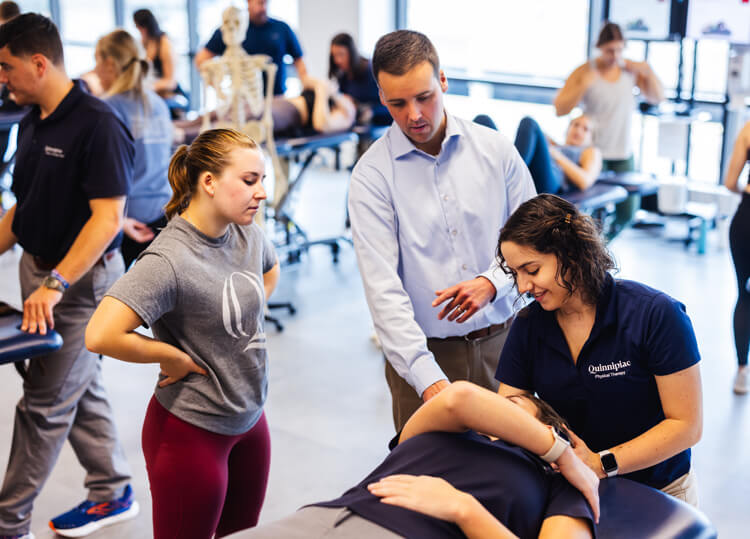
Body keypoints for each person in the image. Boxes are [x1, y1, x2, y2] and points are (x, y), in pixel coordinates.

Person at [85, 128, 281, 539]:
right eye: (250, 180)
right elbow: (100, 334)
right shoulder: (168, 259)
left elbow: (269, 270)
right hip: (191, 434)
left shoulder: (246, 232)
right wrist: (168, 355)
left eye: (262, 180)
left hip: (249, 420)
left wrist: (244, 320)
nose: (261, 192)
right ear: (208, 182)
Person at [348, 30, 537, 432]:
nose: (414, 114)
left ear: (444, 81)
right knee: (431, 484)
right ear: (381, 97)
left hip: (507, 347)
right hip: (423, 359)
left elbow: (533, 243)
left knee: (513, 481)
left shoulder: (496, 151)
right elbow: (384, 292)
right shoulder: (372, 177)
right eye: (398, 103)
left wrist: (492, 281)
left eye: (425, 97)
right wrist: (429, 381)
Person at [0, 13, 136, 539]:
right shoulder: (32, 118)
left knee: (43, 405)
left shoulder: (98, 125)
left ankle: (9, 524)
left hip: (79, 286)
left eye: (6, 67)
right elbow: (23, 207)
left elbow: (107, 219)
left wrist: (54, 284)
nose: (2, 78)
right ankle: (113, 489)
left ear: (38, 62)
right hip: (40, 274)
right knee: (76, 387)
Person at [495, 194, 703, 506]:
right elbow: (507, 411)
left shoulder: (656, 315)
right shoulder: (528, 326)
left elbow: (687, 426)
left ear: (571, 254)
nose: (523, 286)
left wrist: (601, 463)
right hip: (575, 489)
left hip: (659, 490)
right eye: (515, 274)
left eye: (532, 270)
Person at [235, 381, 599, 539]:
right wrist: (561, 452)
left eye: (515, 407)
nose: (498, 408)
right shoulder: (448, 428)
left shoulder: (558, 485)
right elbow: (460, 398)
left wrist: (464, 509)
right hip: (322, 518)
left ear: (552, 425)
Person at [554, 22, 664, 236]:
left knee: (627, 212)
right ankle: (589, 258)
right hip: (592, 153)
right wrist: (582, 85)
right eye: (609, 51)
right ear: (599, 48)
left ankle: (598, 254)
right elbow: (560, 109)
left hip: (622, 152)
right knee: (591, 215)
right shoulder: (586, 71)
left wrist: (648, 71)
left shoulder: (630, 71)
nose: (615, 55)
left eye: (619, 50)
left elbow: (657, 98)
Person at [94, 29, 173, 268]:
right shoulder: (159, 103)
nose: (95, 70)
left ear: (109, 64)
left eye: (96, 61)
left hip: (127, 219)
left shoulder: (107, 109)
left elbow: (100, 174)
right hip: (164, 213)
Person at [194, 0, 307, 96]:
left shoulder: (282, 28)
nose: (263, 8)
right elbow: (201, 60)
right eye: (259, 3)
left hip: (276, 98)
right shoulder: (231, 30)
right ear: (248, 2)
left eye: (265, 3)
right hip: (240, 99)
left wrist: (305, 88)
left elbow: (299, 61)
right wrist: (218, 88)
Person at [723, 120, 750, 395]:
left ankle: (742, 372)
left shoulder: (748, 128)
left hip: (746, 220)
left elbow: (731, 182)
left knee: (745, 295)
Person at [514, 115, 602, 194]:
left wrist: (557, 156)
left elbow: (585, 181)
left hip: (553, 180)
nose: (578, 130)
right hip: (533, 171)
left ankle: (511, 174)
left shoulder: (590, 151)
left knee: (529, 123)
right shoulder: (558, 146)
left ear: (591, 138)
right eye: (575, 125)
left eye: (585, 129)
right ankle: (510, 172)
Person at [132, 8, 188, 115]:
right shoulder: (142, 42)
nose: (138, 30)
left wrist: (147, 87)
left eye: (139, 26)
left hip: (169, 95)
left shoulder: (164, 44)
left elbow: (171, 82)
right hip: (152, 95)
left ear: (145, 26)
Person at [329, 32, 390, 126]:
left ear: (351, 53)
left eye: (341, 55)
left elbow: (391, 105)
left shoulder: (372, 72)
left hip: (378, 126)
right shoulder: (342, 77)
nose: (337, 60)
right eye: (334, 56)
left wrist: (372, 111)